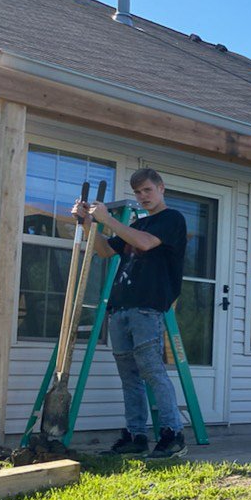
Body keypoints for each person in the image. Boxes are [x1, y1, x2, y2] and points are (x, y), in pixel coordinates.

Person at [74, 168, 188, 458]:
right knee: (129, 377)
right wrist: (88, 223)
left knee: (152, 370)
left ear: (161, 188)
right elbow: (103, 251)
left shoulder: (171, 219)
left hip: (147, 308)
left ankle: (173, 434)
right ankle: (136, 436)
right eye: (138, 192)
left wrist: (108, 219)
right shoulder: (138, 224)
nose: (143, 196)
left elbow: (146, 243)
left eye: (147, 190)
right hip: (121, 307)